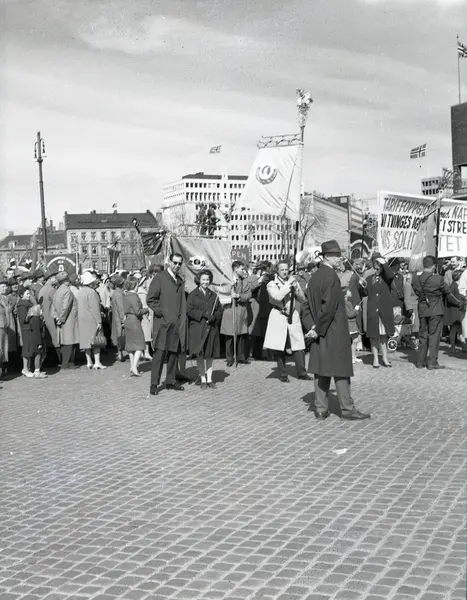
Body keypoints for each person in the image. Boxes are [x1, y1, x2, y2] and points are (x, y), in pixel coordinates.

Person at [305, 240, 370, 421]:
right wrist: (318, 329)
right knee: (341, 370)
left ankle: (320, 409)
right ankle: (347, 409)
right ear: (326, 257)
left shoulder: (314, 277)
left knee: (321, 370)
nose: (340, 257)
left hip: (319, 329)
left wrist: (312, 327)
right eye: (336, 255)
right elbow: (329, 307)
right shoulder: (331, 277)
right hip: (332, 330)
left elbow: (306, 306)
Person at [263, 261, 311, 383]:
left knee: (298, 345)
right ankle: (283, 373)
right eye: (282, 270)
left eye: (286, 270)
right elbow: (277, 296)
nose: (285, 272)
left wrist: (297, 290)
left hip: (293, 315)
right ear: (277, 271)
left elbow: (303, 299)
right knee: (279, 345)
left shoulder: (293, 282)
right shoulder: (271, 284)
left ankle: (302, 372)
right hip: (279, 314)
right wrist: (288, 285)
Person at [412, 255, 462, 369]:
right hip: (435, 310)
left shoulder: (415, 279)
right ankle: (432, 362)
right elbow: (448, 295)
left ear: (424, 265)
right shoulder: (438, 279)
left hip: (422, 309)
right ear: (433, 266)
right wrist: (460, 303)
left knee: (423, 335)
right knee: (434, 336)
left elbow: (416, 291)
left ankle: (420, 361)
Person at [147, 253, 187, 395]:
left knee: (173, 353)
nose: (177, 266)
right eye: (175, 262)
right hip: (163, 324)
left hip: (176, 324)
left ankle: (171, 380)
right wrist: (162, 313)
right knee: (159, 354)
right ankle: (154, 384)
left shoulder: (179, 280)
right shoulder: (160, 278)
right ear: (169, 262)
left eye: (179, 263)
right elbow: (150, 299)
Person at [186, 269, 223, 389]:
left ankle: (210, 379)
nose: (205, 282)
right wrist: (203, 315)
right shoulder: (193, 295)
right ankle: (202, 379)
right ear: (199, 280)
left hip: (211, 328)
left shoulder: (214, 295)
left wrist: (214, 317)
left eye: (207, 280)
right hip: (198, 328)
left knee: (210, 354)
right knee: (200, 354)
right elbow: (189, 311)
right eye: (203, 280)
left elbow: (219, 310)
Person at [360, 252, 395, 368]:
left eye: (379, 266)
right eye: (375, 265)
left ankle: (384, 357)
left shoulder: (386, 278)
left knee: (384, 336)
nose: (377, 268)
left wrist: (384, 263)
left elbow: (390, 275)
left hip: (384, 311)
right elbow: (364, 293)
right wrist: (361, 286)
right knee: (373, 336)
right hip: (372, 311)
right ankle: (375, 358)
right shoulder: (369, 278)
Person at [220, 261, 252, 367]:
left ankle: (241, 357)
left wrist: (239, 296)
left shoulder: (245, 282)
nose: (244, 271)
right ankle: (229, 358)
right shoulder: (226, 281)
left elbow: (248, 295)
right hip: (229, 311)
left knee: (241, 335)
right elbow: (221, 294)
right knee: (229, 336)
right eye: (242, 269)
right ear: (235, 269)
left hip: (241, 311)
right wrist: (230, 293)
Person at [77, 271, 106, 370]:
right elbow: (95, 308)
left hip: (82, 319)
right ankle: (97, 362)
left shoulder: (80, 292)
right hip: (92, 319)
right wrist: (99, 321)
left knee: (86, 342)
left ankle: (89, 361)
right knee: (96, 341)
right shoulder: (92, 292)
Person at [52, 271, 79, 369]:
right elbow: (66, 306)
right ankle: (66, 363)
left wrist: (57, 317)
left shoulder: (57, 291)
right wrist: (62, 318)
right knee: (69, 341)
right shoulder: (67, 291)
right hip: (68, 319)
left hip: (61, 319)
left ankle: (66, 362)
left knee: (64, 341)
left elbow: (53, 307)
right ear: (65, 281)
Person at [122, 276, 147, 377]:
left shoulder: (125, 295)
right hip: (134, 321)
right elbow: (138, 311)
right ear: (135, 285)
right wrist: (146, 309)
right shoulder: (134, 296)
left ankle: (132, 366)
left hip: (128, 320)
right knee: (140, 345)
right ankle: (134, 367)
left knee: (131, 346)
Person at [37, 272, 60, 366]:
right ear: (50, 279)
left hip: (45, 317)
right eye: (55, 278)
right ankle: (56, 359)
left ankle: (50, 359)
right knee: (55, 338)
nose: (56, 279)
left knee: (48, 338)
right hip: (51, 316)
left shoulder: (42, 289)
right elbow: (57, 303)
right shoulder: (51, 290)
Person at [16, 286, 36, 377]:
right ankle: (25, 369)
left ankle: (28, 368)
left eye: (29, 293)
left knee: (30, 348)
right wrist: (33, 314)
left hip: (30, 328)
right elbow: (23, 319)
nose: (29, 295)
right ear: (21, 295)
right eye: (27, 294)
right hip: (26, 329)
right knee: (26, 349)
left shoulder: (27, 303)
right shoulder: (22, 305)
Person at [445, 270, 466, 354]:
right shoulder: (453, 285)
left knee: (461, 329)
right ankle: (453, 346)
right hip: (454, 310)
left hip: (459, 309)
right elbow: (450, 298)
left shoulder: (457, 285)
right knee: (454, 329)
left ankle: (463, 346)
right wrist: (459, 303)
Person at [25, 303, 48, 378]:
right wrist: (39, 343)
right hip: (37, 340)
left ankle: (37, 370)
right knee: (38, 355)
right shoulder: (36, 320)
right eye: (41, 310)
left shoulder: (34, 319)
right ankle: (37, 371)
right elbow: (37, 332)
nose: (42, 311)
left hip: (35, 339)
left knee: (38, 355)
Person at [137, 267, 155, 361]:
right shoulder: (142, 293)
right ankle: (146, 352)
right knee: (146, 334)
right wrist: (148, 315)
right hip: (145, 316)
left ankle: (143, 353)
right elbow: (145, 306)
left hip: (143, 315)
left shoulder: (141, 292)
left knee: (145, 334)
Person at [344, 287, 362, 364]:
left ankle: (354, 356)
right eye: (349, 291)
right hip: (349, 324)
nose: (350, 292)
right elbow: (349, 314)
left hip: (353, 324)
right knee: (350, 341)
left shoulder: (348, 302)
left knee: (355, 340)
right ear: (345, 294)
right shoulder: (344, 303)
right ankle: (349, 357)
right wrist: (356, 310)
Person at [110, 275, 126, 362]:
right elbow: (121, 308)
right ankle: (120, 354)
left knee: (118, 336)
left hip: (116, 318)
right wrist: (123, 319)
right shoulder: (118, 294)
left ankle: (120, 354)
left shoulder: (116, 293)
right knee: (120, 336)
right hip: (118, 319)